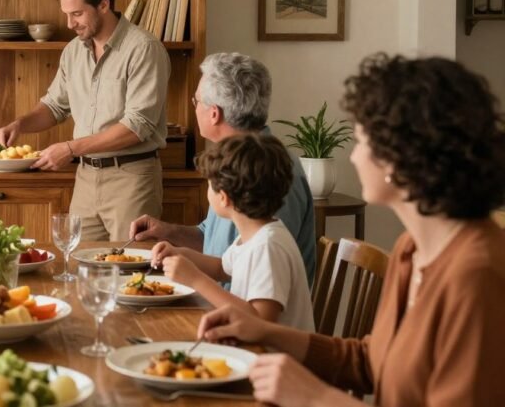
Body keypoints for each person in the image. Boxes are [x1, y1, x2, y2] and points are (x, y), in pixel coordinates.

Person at [197, 54, 505, 407]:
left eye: (360, 141)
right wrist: (267, 332)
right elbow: (369, 360)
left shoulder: (477, 276)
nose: (355, 157)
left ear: (400, 155)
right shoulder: (411, 249)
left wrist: (315, 397)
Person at [0, 0, 170, 240]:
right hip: (86, 179)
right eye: (66, 14)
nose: (69, 24)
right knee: (77, 266)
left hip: (132, 179)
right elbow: (54, 106)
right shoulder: (73, 51)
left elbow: (138, 126)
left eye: (77, 14)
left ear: (103, 4)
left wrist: (69, 148)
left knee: (128, 272)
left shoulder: (144, 48)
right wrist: (20, 124)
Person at [130, 52, 316, 284]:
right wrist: (168, 231)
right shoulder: (232, 163)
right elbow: (213, 241)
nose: (194, 108)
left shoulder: (271, 173)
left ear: (214, 113)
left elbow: (266, 278)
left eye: (196, 101)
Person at [156, 134, 314, 331]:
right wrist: (179, 254)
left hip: (270, 357)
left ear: (223, 198)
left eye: (209, 184)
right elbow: (222, 269)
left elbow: (260, 321)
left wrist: (195, 279)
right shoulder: (253, 235)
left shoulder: (268, 247)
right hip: (249, 349)